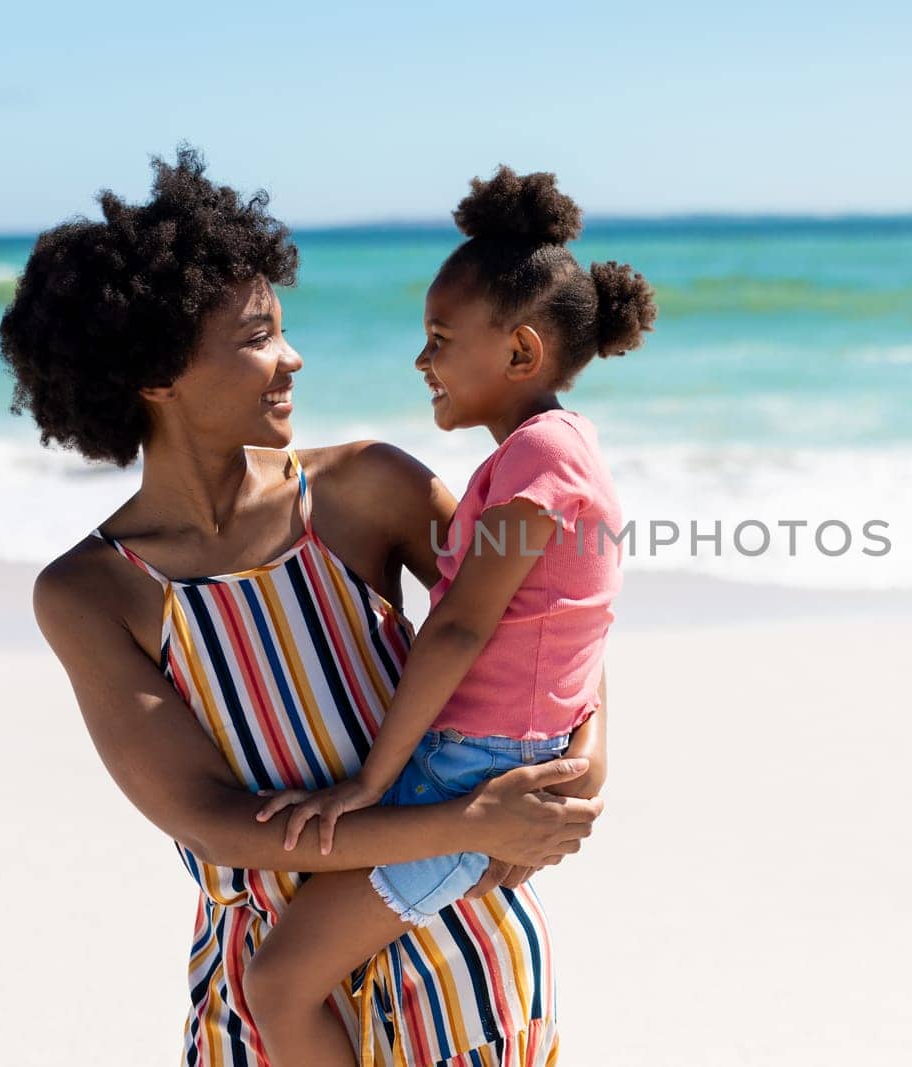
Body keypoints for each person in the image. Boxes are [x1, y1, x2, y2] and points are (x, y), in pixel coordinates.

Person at [0, 147, 605, 1067]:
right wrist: (469, 825)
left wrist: (581, 771)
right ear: (155, 375)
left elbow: (547, 614)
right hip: (274, 990)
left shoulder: (368, 489)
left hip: (466, 962)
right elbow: (210, 819)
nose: (293, 357)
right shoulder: (92, 591)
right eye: (257, 337)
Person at [242, 166, 655, 1066]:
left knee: (277, 983)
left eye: (438, 339)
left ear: (519, 353)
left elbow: (461, 627)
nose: (421, 360)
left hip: (468, 770)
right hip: (482, 758)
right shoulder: (553, 452)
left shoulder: (540, 457)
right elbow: (571, 621)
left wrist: (368, 784)